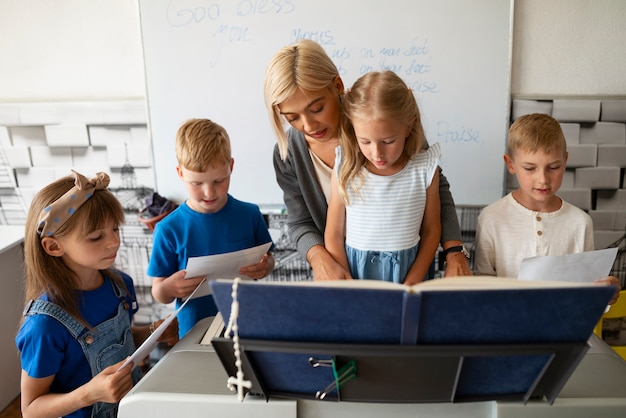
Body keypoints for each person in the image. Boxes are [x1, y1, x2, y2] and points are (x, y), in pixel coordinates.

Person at [264, 39, 471, 282]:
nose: (308, 126)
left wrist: (454, 251)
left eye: (317, 108)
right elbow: (300, 222)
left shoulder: (382, 120)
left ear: (338, 86)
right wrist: (318, 257)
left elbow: (434, 189)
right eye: (292, 117)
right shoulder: (288, 154)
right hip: (345, 274)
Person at [16, 170, 179, 418]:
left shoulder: (120, 285)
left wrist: (151, 333)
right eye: (96, 237)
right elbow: (30, 409)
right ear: (54, 246)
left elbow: (119, 341)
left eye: (115, 229)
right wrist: (90, 394)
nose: (114, 242)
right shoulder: (44, 326)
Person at [148, 118, 275, 338]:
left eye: (219, 180)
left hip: (247, 325)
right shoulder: (168, 229)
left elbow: (268, 260)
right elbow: (159, 291)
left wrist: (266, 267)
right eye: (197, 183)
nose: (209, 192)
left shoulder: (250, 214)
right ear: (180, 173)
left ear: (231, 167)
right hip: (194, 333)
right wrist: (169, 288)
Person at [474, 113, 620, 303]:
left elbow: (587, 291)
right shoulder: (491, 218)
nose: (543, 179)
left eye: (553, 167)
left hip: (564, 328)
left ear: (565, 161)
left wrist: (604, 292)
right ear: (510, 164)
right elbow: (481, 287)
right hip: (506, 328)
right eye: (529, 168)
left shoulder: (580, 222)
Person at [324, 71, 441, 285]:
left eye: (388, 141)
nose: (377, 153)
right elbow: (334, 234)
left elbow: (432, 230)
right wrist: (345, 282)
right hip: (356, 273)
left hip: (409, 272)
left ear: (409, 127)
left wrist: (414, 279)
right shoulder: (345, 169)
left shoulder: (424, 168)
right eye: (365, 141)